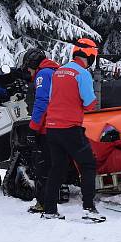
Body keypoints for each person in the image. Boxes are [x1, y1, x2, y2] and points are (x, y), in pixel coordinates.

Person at [41, 38, 106, 223]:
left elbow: (53, 97)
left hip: (52, 128)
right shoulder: (82, 73)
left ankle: (50, 210)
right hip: (70, 128)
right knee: (88, 164)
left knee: (57, 168)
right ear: (91, 56)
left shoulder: (58, 72)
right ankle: (89, 209)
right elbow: (90, 103)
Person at [19, 49, 60, 214]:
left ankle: (43, 203)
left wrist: (33, 128)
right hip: (60, 125)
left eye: (28, 69)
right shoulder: (57, 72)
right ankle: (51, 200)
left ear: (33, 64)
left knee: (42, 166)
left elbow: (42, 102)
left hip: (46, 127)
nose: (28, 73)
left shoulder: (43, 75)